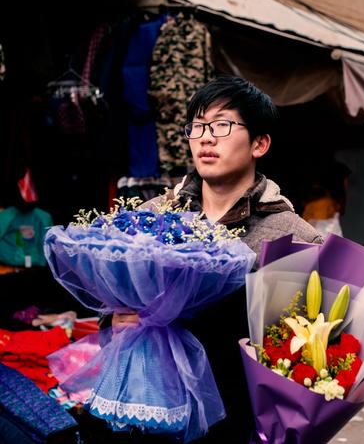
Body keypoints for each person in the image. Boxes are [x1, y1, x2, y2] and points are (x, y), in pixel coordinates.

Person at [113, 76, 323, 443]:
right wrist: (114, 321)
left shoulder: (294, 238)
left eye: (223, 125)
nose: (206, 137)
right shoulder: (150, 218)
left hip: (239, 423)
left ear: (260, 143)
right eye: (197, 126)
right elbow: (112, 302)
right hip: (154, 417)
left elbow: (311, 358)